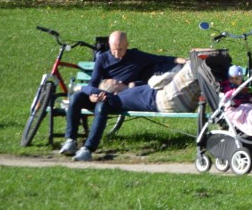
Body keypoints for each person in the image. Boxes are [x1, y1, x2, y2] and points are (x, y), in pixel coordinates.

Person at [59, 31, 186, 161]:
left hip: (120, 98)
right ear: (109, 45)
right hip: (99, 93)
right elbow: (92, 83)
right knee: (76, 98)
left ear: (127, 45)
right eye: (114, 49)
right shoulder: (102, 58)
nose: (117, 53)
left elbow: (163, 59)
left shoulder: (137, 56)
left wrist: (185, 61)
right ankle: (71, 140)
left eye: (121, 49)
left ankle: (88, 149)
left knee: (103, 106)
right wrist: (92, 94)